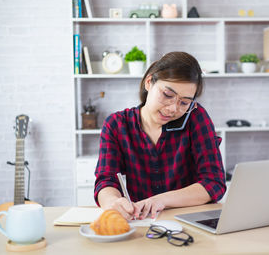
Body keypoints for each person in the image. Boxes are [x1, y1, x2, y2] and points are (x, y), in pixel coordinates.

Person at [94, 51, 226, 220]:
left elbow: (214, 183)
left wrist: (161, 200)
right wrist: (112, 202)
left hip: (190, 223)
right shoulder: (117, 125)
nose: (173, 109)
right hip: (142, 223)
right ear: (149, 82)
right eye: (167, 95)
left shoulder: (195, 117)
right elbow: (106, 181)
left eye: (184, 102)